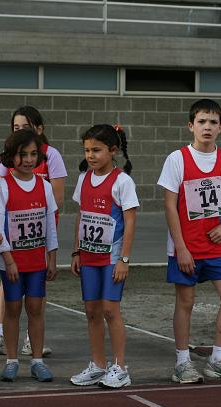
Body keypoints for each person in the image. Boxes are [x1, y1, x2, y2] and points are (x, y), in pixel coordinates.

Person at [157, 99, 221, 385]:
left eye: (212, 122)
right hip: (185, 246)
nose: (207, 127)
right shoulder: (177, 159)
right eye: (201, 122)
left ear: (220, 128)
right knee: (186, 302)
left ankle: (218, 359)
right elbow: (170, 206)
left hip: (215, 244)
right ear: (191, 126)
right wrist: (181, 247)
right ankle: (182, 362)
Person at [0, 106, 66, 357]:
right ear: (11, 155)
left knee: (35, 306)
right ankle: (9, 354)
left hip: (37, 255)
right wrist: (7, 257)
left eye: (33, 155)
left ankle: (36, 353)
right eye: (23, 155)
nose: (29, 159)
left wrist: (52, 257)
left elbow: (53, 214)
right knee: (12, 306)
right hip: (11, 256)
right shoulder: (4, 184)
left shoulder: (47, 172)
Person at [70, 124, 138, 389]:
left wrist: (125, 259)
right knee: (91, 311)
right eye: (87, 150)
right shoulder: (84, 178)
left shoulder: (122, 181)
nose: (90, 155)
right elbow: (81, 215)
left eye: (96, 150)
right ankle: (98, 365)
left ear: (113, 150)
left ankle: (120, 367)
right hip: (88, 256)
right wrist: (76, 250)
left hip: (112, 257)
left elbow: (130, 222)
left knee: (110, 310)